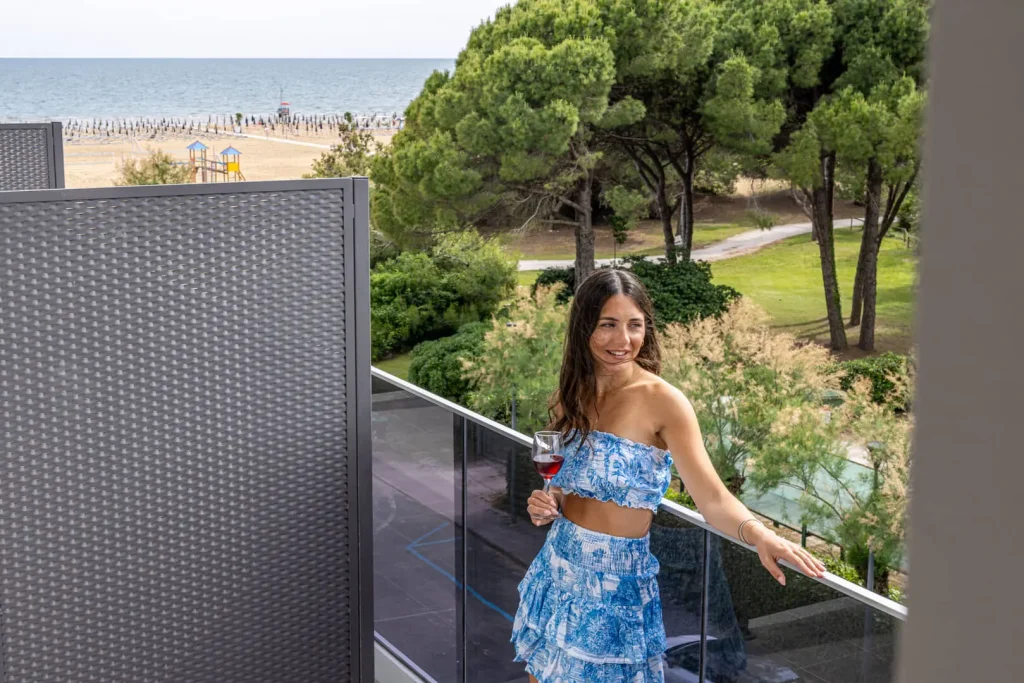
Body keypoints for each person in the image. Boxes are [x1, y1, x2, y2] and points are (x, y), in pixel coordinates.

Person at [510, 269, 826, 683]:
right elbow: (559, 479)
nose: (623, 341)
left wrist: (759, 533)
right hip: (559, 564)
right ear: (584, 326)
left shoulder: (665, 402)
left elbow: (712, 497)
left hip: (616, 588)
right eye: (608, 324)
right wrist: (546, 503)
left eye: (634, 325)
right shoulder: (568, 395)